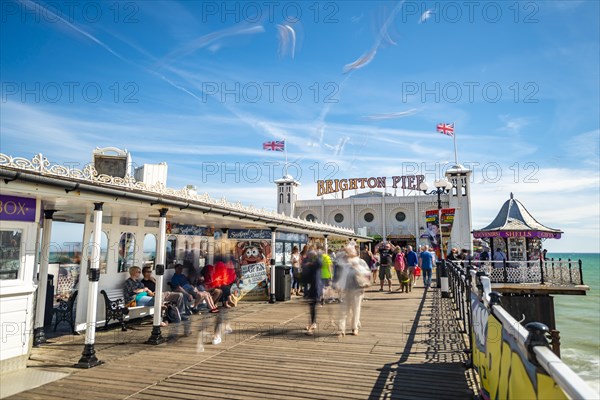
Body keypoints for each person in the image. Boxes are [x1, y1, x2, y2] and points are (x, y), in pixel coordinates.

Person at [337, 245, 369, 337]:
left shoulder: (360, 262)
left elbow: (366, 274)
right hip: (346, 289)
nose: (347, 253)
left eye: (349, 251)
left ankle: (354, 328)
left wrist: (356, 267)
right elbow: (341, 275)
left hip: (357, 289)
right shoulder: (344, 262)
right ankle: (341, 329)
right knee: (343, 310)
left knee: (356, 309)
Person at [302, 247, 322, 335]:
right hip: (310, 287)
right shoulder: (309, 261)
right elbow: (304, 269)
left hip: (316, 287)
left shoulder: (316, 262)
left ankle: (312, 324)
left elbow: (320, 264)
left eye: (311, 253)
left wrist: (317, 255)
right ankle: (313, 323)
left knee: (313, 306)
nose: (309, 254)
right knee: (312, 306)